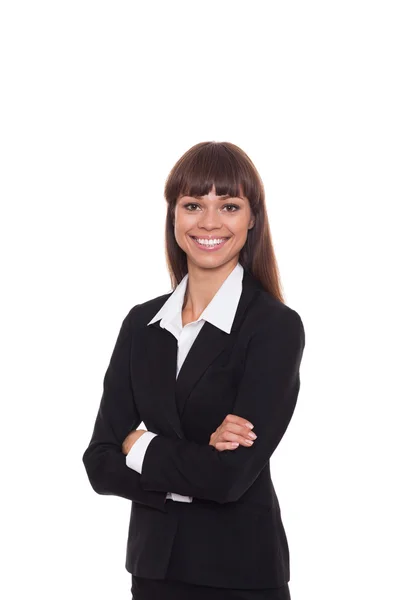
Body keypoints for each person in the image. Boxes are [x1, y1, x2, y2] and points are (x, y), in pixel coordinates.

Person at [82, 141, 306, 599]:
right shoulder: (141, 324)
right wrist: (195, 460)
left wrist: (139, 443)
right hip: (153, 572)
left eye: (228, 205)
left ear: (252, 219)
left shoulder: (274, 327)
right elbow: (100, 463)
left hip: (241, 574)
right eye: (192, 205)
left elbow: (230, 477)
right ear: (173, 216)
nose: (209, 222)